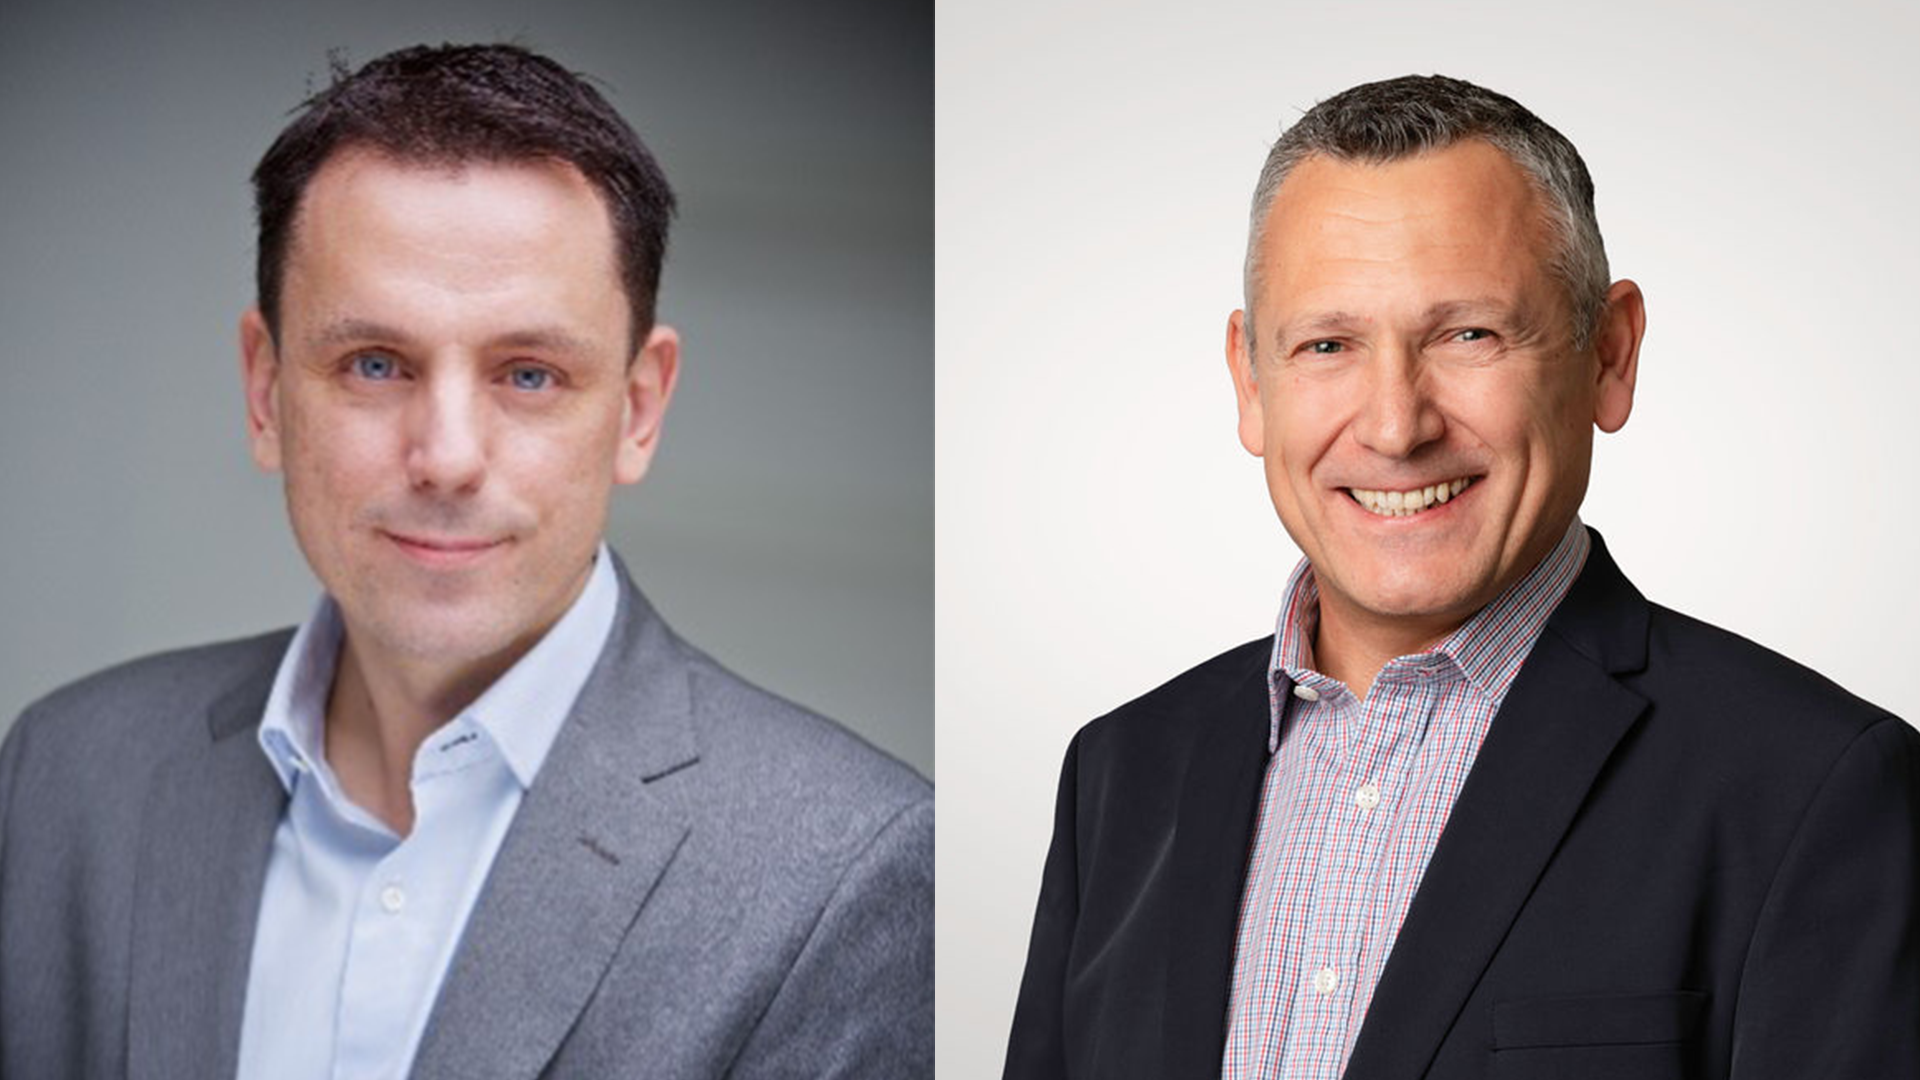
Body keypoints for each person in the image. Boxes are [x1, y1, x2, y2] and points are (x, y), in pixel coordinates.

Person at [0, 43, 931, 1079]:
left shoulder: (846, 869)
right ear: (265, 391)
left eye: (528, 374)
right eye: (375, 363)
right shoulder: (68, 775)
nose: (446, 456)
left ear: (638, 408)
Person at [1003, 74, 1917, 1079]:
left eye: (1468, 335)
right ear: (1250, 381)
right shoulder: (1121, 774)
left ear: (1608, 355)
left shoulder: (1815, 790)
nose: (1397, 425)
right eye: (1328, 344)